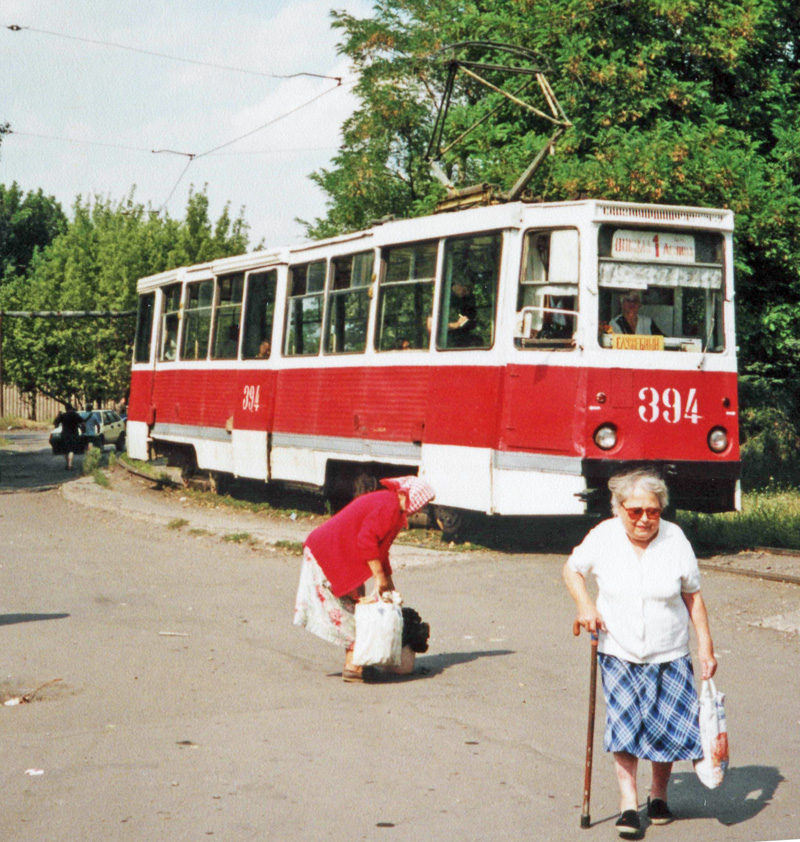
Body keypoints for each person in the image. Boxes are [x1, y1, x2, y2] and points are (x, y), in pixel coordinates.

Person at [562, 467, 716, 838]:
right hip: (619, 649)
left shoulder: (675, 538)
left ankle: (658, 795)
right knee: (626, 725)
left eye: (653, 511)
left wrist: (706, 648)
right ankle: (628, 804)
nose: (645, 519)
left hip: (670, 650)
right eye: (635, 511)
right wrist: (585, 606)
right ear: (619, 509)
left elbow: (693, 598)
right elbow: (571, 569)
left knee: (665, 726)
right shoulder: (603, 536)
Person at [293, 475, 435, 683]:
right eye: (423, 504)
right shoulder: (389, 507)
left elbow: (381, 551)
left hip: (337, 554)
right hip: (328, 553)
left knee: (356, 607)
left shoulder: (393, 508)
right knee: (352, 612)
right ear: (412, 497)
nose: (422, 510)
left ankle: (354, 664)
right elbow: (367, 541)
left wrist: (388, 587)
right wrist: (380, 579)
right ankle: (353, 666)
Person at [446, 281, 479, 347]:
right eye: (465, 289)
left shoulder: (467, 300)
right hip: (446, 343)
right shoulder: (441, 297)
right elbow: (431, 325)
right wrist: (455, 325)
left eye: (468, 290)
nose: (467, 293)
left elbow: (471, 319)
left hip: (463, 340)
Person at [53, 403, 85, 470]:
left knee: (66, 450)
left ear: (66, 408)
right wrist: (83, 430)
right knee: (71, 450)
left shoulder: (63, 415)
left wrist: (58, 415)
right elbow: (83, 423)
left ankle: (68, 463)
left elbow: (55, 423)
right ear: (71, 408)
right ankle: (70, 464)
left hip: (65, 434)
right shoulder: (75, 415)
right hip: (74, 434)